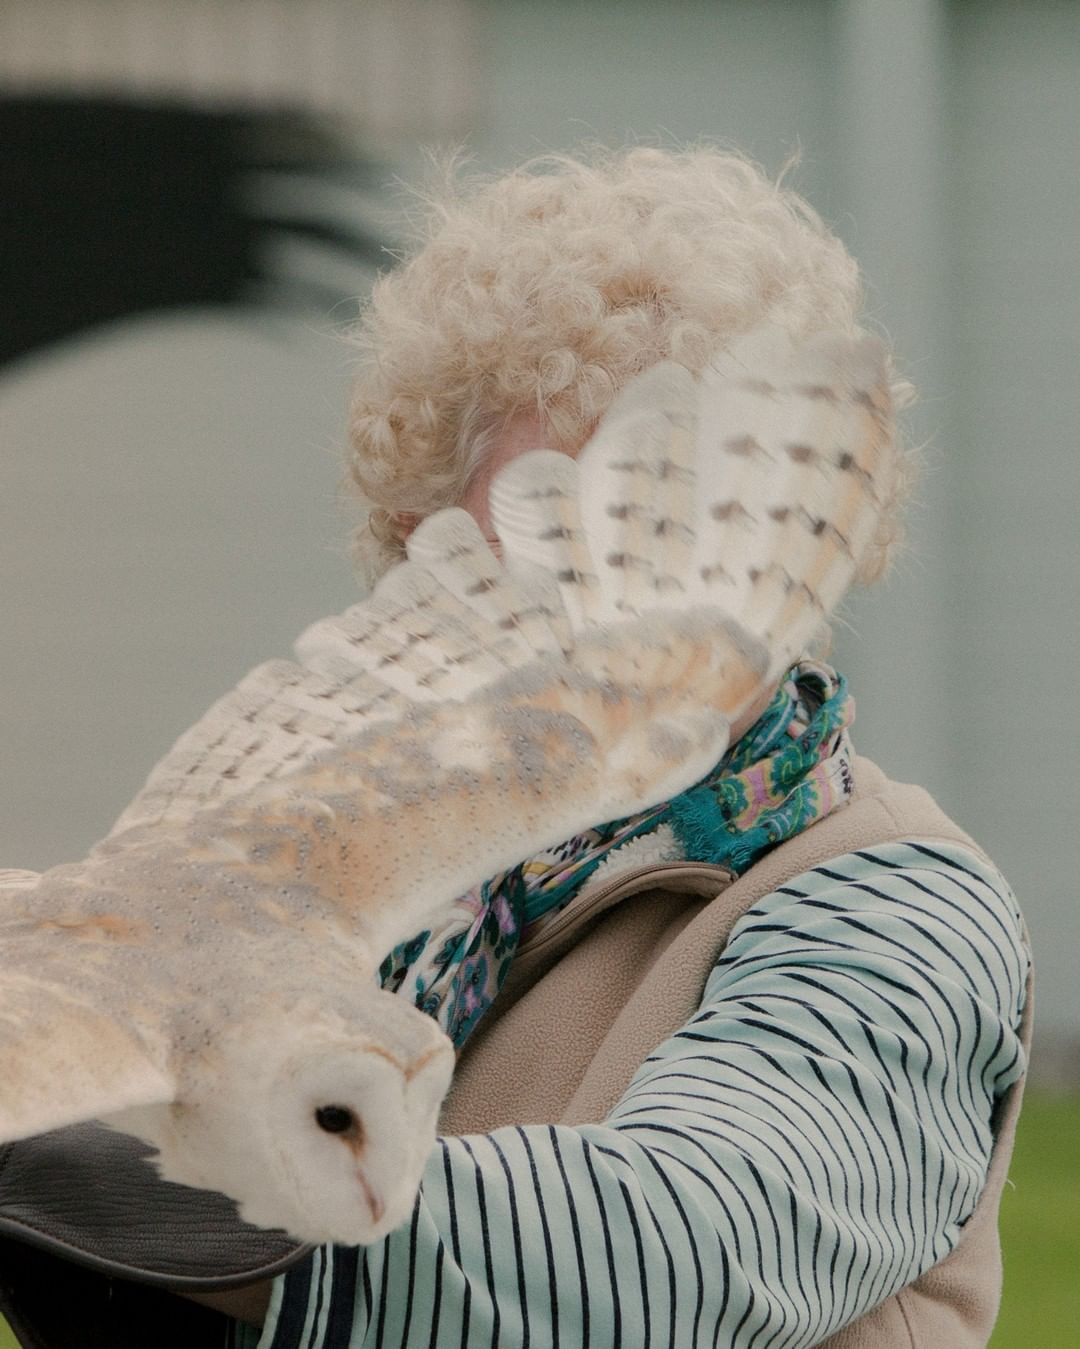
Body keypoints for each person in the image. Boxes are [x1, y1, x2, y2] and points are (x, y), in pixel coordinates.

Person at [0, 145, 1028, 1349]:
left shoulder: (894, 908)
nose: (616, 599)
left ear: (780, 549)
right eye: (563, 532)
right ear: (426, 543)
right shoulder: (409, 874)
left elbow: (681, 1250)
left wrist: (166, 1177)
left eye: (667, 525)